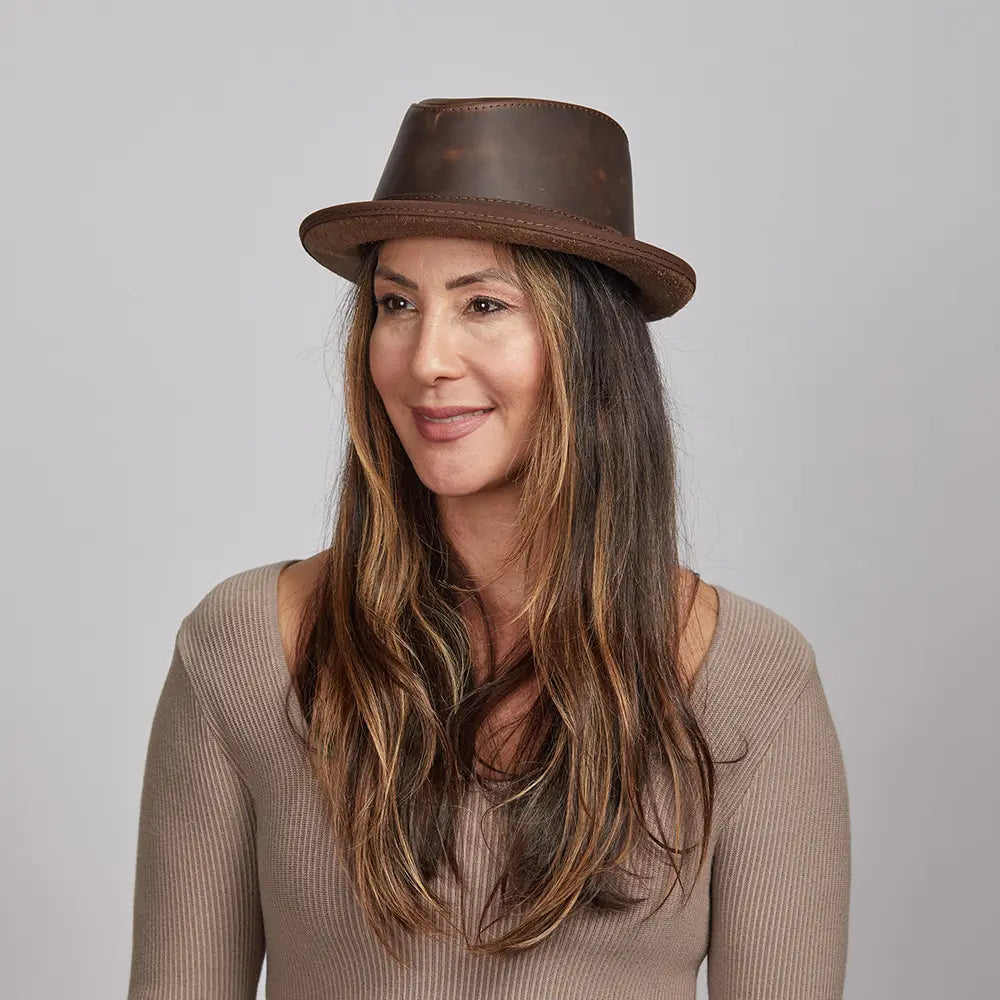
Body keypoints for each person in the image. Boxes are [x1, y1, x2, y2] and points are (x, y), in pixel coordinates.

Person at [126, 97, 851, 999]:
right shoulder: (242, 647)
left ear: (588, 346)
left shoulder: (752, 678)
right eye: (397, 303)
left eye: (483, 303)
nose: (425, 356)